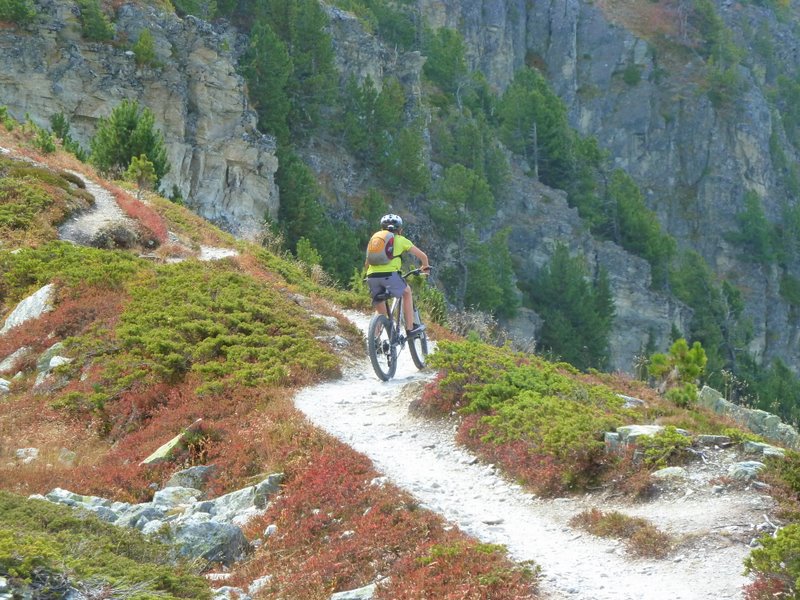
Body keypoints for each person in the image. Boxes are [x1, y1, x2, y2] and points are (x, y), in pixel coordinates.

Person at [364, 214, 430, 337]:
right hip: (390, 276)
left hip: (372, 277)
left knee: (381, 313)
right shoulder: (401, 240)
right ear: (400, 230)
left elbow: (367, 262)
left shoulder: (375, 240)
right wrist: (425, 269)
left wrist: (369, 275)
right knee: (407, 292)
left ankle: (374, 342)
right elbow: (423, 256)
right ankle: (411, 328)